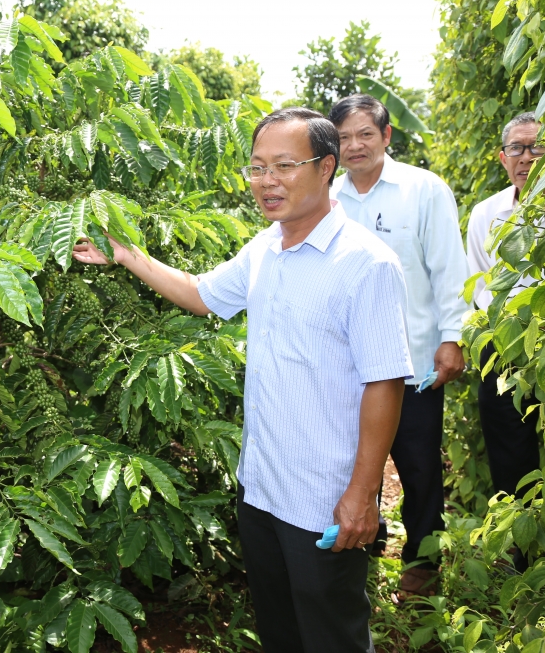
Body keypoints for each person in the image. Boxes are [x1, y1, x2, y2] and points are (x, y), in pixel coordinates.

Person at [73, 107, 412, 652]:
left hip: (323, 501)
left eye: (283, 165)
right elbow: (202, 295)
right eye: (257, 168)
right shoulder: (265, 248)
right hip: (262, 490)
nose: (267, 181)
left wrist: (362, 493)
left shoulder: (366, 263)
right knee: (281, 634)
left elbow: (384, 383)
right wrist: (126, 254)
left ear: (327, 168)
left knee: (333, 637)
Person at [328, 95, 469, 598]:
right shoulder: (329, 200)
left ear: (387, 136)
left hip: (412, 362)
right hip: (345, 366)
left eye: (365, 134)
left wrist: (452, 338)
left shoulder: (423, 190)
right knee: (353, 460)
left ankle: (423, 561)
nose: (354, 145)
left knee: (419, 463)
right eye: (343, 137)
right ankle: (366, 542)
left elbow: (449, 270)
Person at [466, 112, 545, 527]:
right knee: (509, 450)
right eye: (516, 148)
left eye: (536, 147)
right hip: (506, 344)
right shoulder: (486, 213)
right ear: (502, 157)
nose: (526, 158)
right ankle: (518, 545)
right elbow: (481, 282)